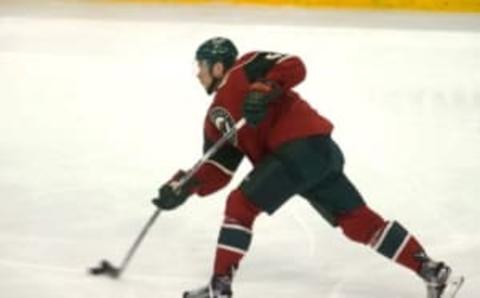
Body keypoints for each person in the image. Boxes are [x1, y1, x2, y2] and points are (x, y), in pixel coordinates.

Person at [152, 37, 463, 298]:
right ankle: (432, 271)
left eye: (201, 67)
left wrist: (266, 87)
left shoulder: (245, 67)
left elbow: (295, 64)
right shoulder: (214, 119)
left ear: (218, 65)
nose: (198, 75)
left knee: (241, 205)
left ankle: (220, 287)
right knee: (357, 221)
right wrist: (186, 186)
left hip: (301, 148)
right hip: (313, 156)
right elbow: (218, 167)